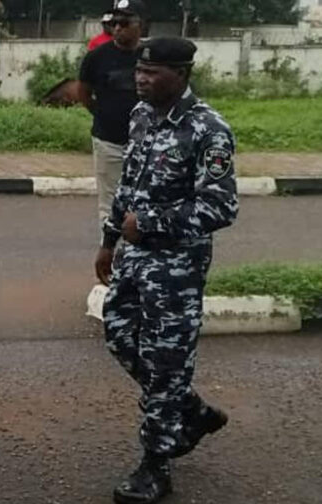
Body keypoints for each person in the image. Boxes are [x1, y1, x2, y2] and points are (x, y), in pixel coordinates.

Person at [92, 37, 238, 504]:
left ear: (182, 74)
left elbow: (221, 205)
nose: (141, 78)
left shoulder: (207, 129)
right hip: (133, 258)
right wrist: (110, 238)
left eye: (153, 72)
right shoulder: (141, 117)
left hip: (176, 265)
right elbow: (128, 185)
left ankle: (156, 465)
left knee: (166, 359)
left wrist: (150, 224)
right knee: (119, 335)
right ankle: (189, 409)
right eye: (139, 69)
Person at [77, 0, 146, 225]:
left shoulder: (150, 57)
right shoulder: (97, 57)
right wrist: (103, 115)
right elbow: (84, 93)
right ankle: (110, 251)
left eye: (124, 23)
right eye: (114, 22)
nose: (117, 28)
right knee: (110, 202)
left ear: (141, 25)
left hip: (147, 143)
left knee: (144, 199)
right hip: (109, 142)